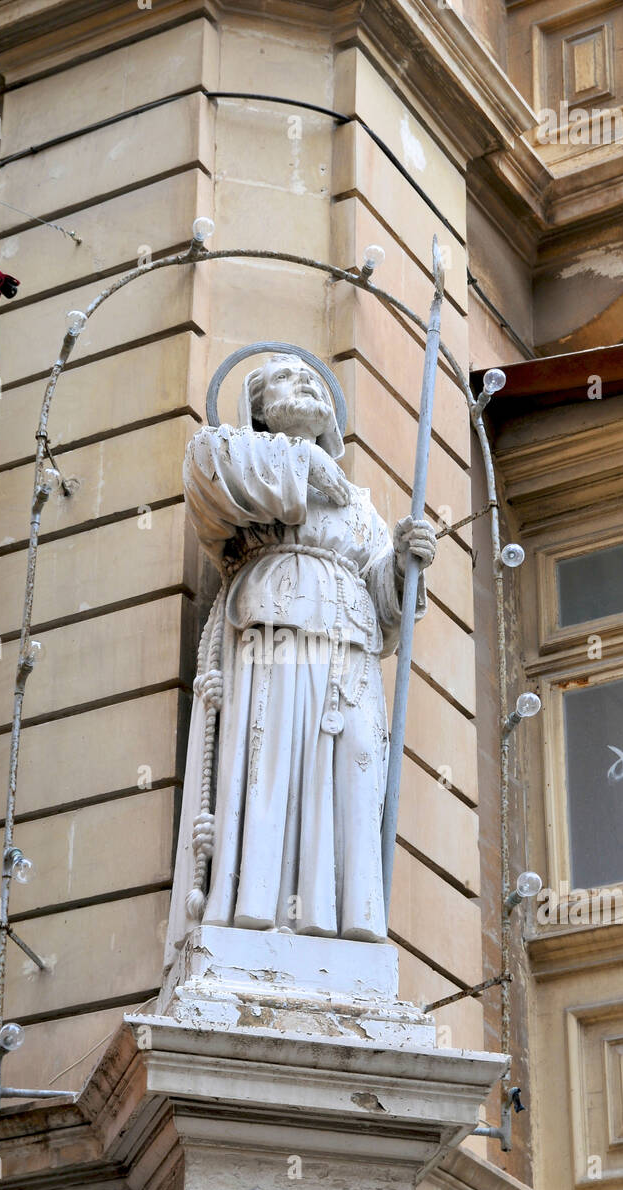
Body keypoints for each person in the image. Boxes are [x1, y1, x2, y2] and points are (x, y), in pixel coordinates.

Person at [162, 352, 436, 975]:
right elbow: (213, 473)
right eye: (286, 377)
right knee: (270, 766)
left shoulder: (357, 505)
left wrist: (402, 562)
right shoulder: (231, 456)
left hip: (352, 657)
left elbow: (385, 602)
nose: (306, 381)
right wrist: (302, 463)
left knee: (352, 774)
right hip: (274, 640)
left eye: (311, 377)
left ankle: (343, 925)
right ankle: (255, 911)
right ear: (257, 406)